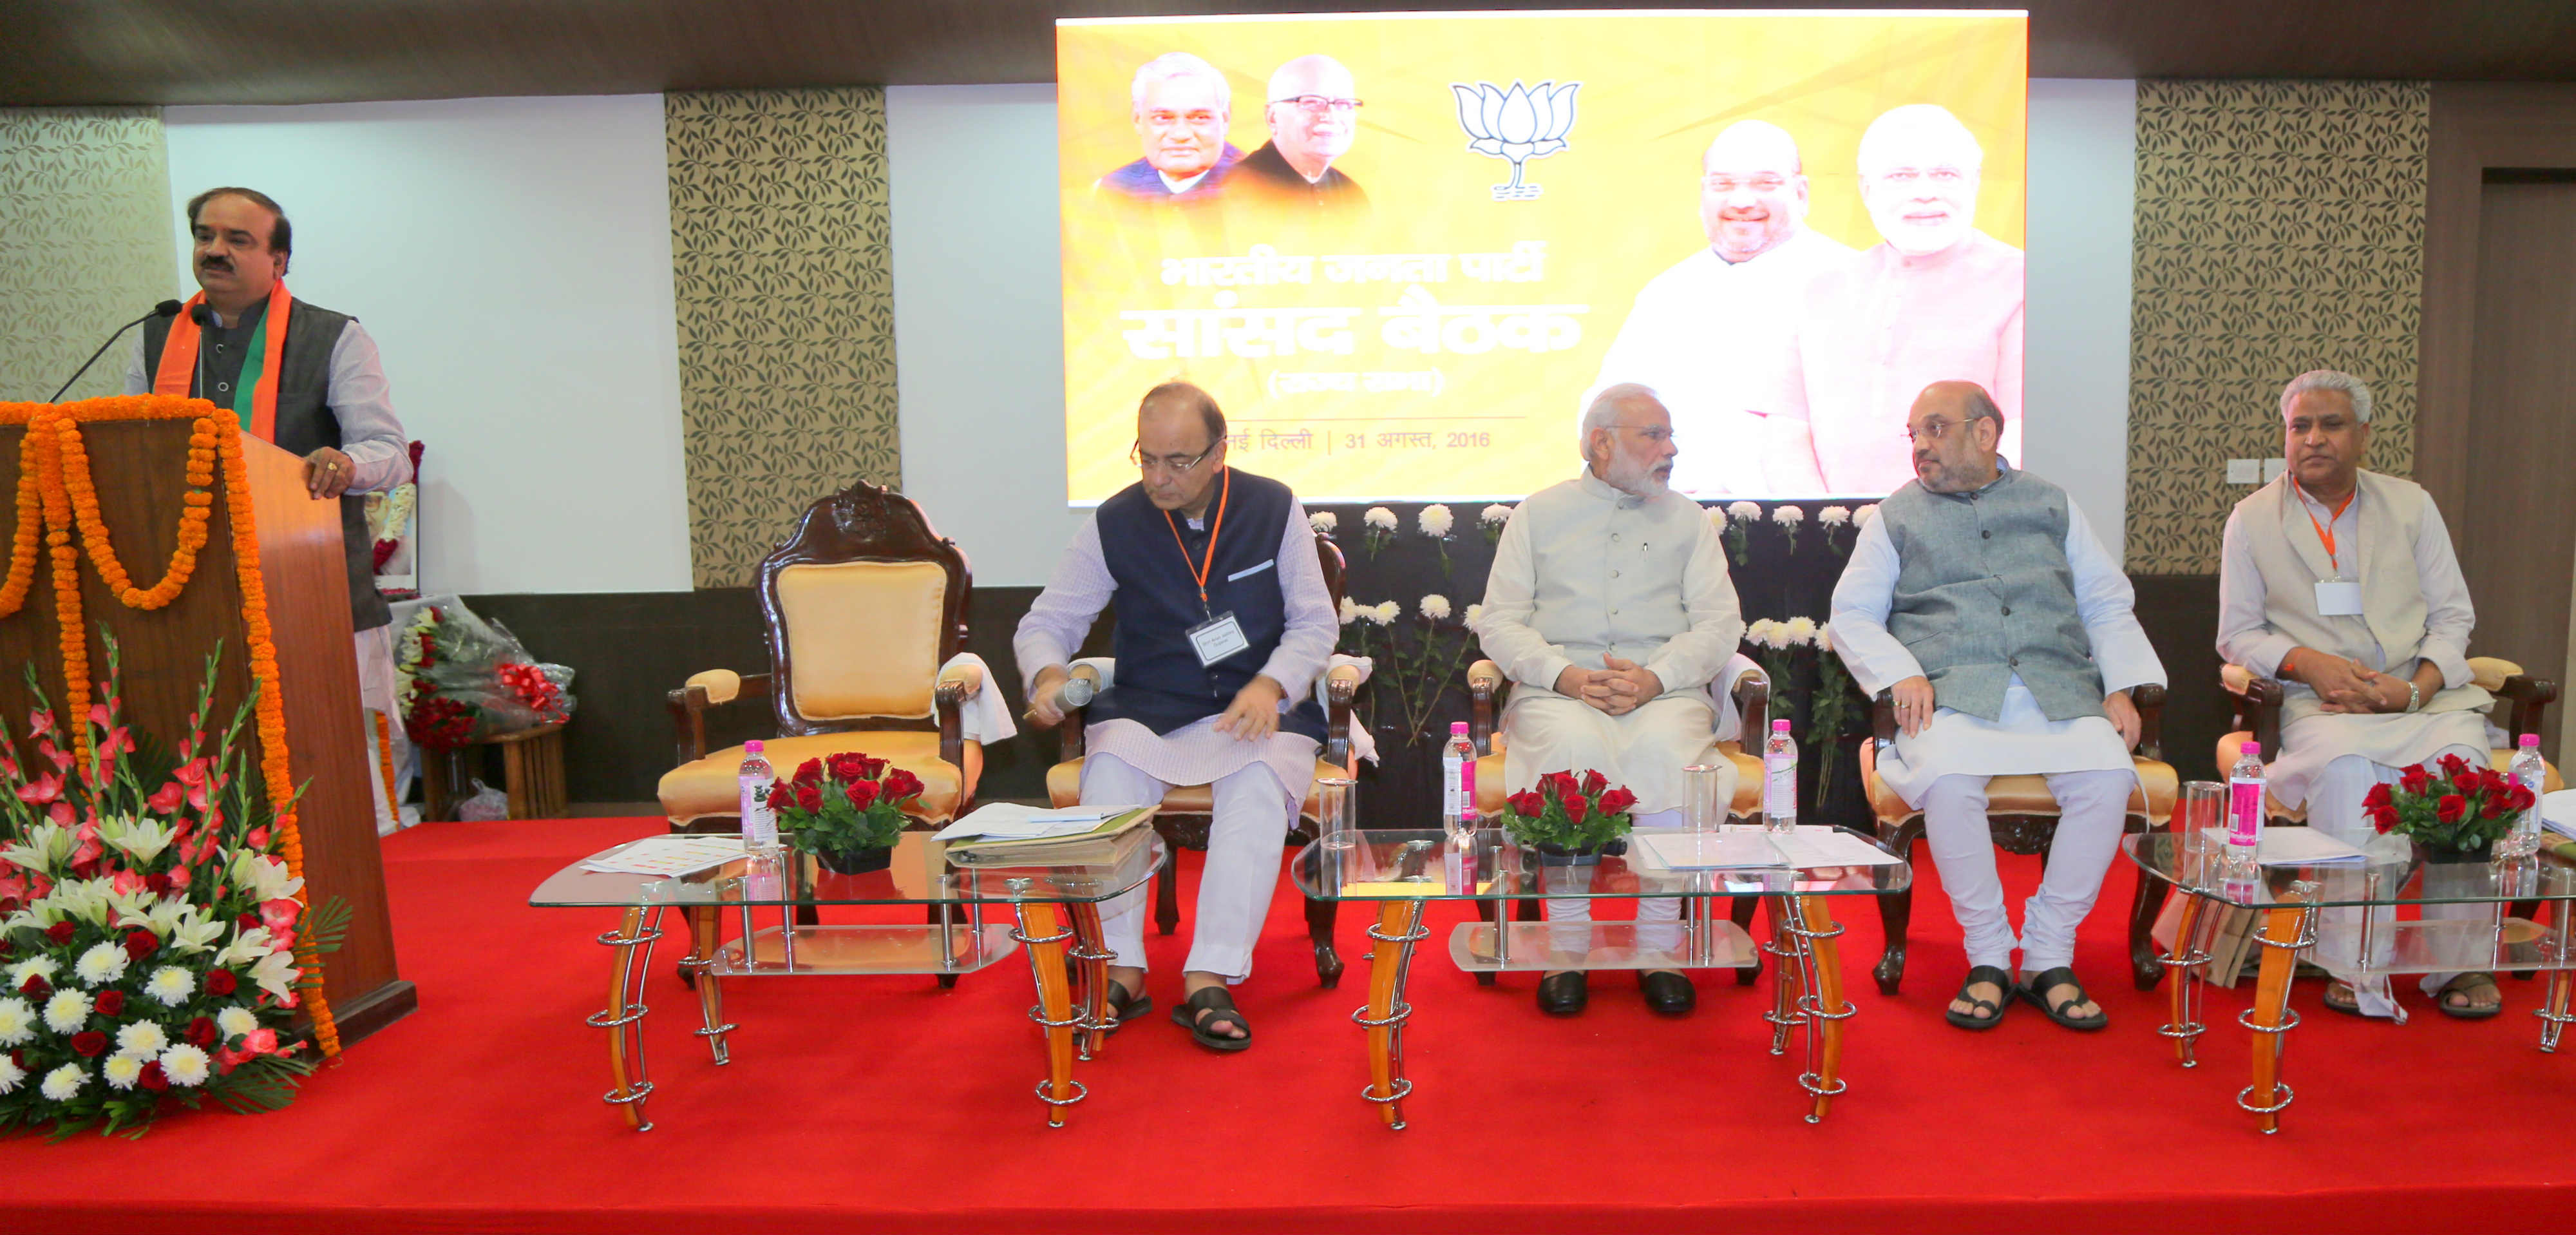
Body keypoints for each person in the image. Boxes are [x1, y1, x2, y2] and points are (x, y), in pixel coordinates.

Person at [1829, 381, 2163, 1031]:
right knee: (1950, 784)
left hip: (2056, 687)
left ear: (1984, 434)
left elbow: (2103, 601)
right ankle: (1986, 955)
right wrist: (1901, 672)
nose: (1919, 446)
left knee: (2105, 777)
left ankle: (2047, 954)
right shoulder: (1896, 516)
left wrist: (2120, 685)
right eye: (1913, 434)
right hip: (1953, 696)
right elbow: (1851, 617)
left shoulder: (2051, 504)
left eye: (1934, 429)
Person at [1017, 381, 1334, 1052]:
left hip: (1256, 706)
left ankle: (1209, 975)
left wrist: (1273, 684)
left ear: (1220, 451)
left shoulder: (1273, 507)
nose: (1159, 477)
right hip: (1151, 703)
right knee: (1108, 776)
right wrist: (1046, 673)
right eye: (1147, 458)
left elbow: (1314, 620)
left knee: (1253, 790)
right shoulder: (1113, 521)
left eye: (1178, 461)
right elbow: (1051, 620)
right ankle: (1120, 966)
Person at [126, 186, 413, 832]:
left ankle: (379, 872)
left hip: (318, 581)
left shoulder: (335, 336)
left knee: (351, 748)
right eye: (206, 236)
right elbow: (126, 444)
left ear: (280, 261)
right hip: (194, 590)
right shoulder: (151, 339)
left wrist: (345, 465)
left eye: (238, 240)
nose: (215, 251)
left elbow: (390, 453)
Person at [2217, 369, 2501, 1020]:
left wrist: (2415, 687)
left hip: (2421, 701)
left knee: (2458, 774)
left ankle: (2457, 958)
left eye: (2331, 424)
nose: (2313, 439)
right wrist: (2306, 662)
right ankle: (2355, 961)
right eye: (2299, 427)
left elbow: (2453, 616)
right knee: (2348, 774)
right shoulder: (2251, 519)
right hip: (2324, 707)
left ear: (2363, 435)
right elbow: (2236, 635)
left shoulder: (2410, 505)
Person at [1471, 383, 1747, 1017]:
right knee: (1569, 749)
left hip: (1662, 689)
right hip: (1558, 690)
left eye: (1669, 435)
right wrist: (1561, 674)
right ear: (1601, 443)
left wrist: (1656, 676)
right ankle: (1567, 951)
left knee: (1671, 751)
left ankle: (1656, 948)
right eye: (1653, 435)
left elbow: (1717, 624)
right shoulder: (1538, 515)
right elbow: (1501, 622)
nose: (1669, 449)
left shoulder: (1683, 521)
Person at [1584, 120, 1855, 497]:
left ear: (1802, 193)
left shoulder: (1851, 282)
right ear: (1703, 195)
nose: (1742, 201)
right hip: (1674, 525)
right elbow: (1607, 413)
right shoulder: (1667, 294)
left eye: (1765, 184)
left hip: (1814, 530)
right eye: (1723, 185)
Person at [1773, 105, 2024, 495]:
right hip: (1833, 537)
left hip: (1972, 531)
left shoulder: (2024, 282)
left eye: (1945, 174)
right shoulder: (1819, 290)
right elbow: (1786, 430)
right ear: (1867, 190)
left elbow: (2025, 433)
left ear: (1974, 183)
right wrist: (1820, 527)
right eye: (1901, 176)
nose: (1925, 193)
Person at [1097, 53, 1244, 203]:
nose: (1180, 135)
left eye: (1199, 118)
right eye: (1163, 118)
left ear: (1225, 120)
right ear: (1138, 120)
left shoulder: (1260, 186)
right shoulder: (1111, 190)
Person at [1231, 54, 1368, 208]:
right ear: (1273, 117)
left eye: (1344, 105)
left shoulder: (1351, 196)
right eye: (1312, 102)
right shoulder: (1232, 191)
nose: (1331, 116)